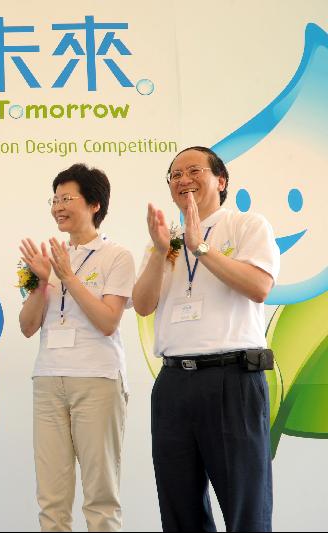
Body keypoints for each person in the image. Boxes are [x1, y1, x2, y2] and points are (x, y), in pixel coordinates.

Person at [133, 146, 279, 532]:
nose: (183, 180)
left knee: (244, 506)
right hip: (174, 383)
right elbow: (143, 304)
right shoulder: (166, 241)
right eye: (174, 175)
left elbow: (259, 286)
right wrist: (161, 251)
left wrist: (203, 248)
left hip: (231, 378)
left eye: (193, 170)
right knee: (180, 509)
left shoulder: (247, 226)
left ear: (221, 180)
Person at [19, 163, 135, 532]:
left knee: (101, 496)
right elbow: (26, 327)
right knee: (51, 498)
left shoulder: (116, 255)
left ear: (95, 204)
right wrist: (41, 281)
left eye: (67, 198)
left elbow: (107, 322)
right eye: (54, 200)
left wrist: (68, 276)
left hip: (97, 379)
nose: (57, 207)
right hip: (49, 380)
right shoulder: (46, 259)